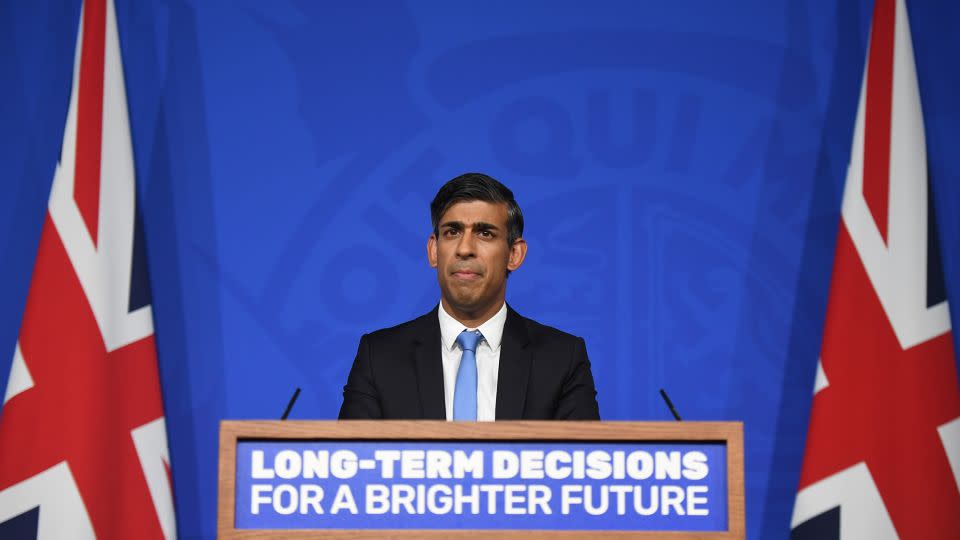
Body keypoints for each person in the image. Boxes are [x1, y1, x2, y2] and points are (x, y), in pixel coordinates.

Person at [338, 173, 600, 420]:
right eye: (452, 232)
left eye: (485, 233)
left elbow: (582, 463)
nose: (464, 249)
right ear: (433, 250)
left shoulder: (561, 358)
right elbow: (350, 462)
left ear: (514, 255)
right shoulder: (379, 357)